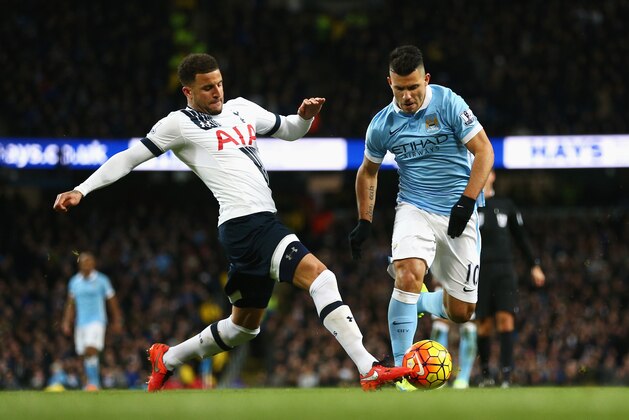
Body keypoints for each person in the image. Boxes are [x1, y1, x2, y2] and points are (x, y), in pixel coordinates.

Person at [53, 53, 412, 391]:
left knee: (244, 329)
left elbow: (289, 130)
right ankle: (369, 368)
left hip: (254, 225)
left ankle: (168, 357)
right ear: (188, 91)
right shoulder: (178, 124)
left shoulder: (242, 109)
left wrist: (303, 116)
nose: (216, 91)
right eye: (207, 87)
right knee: (322, 276)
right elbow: (129, 158)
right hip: (246, 223)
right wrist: (82, 189)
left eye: (219, 83)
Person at [349, 45, 494, 391]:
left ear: (426, 79)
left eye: (414, 87)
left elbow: (484, 150)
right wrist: (364, 221)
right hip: (414, 207)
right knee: (408, 273)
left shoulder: (448, 104)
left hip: (460, 209)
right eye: (400, 89)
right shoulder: (383, 124)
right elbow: (368, 172)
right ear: (390, 83)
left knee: (463, 312)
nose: (408, 96)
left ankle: (420, 302)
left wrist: (467, 202)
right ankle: (402, 372)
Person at [476, 169, 545, 388]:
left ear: (493, 175)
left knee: (506, 319)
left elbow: (521, 237)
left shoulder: (506, 205)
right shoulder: (470, 205)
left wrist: (534, 265)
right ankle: (486, 374)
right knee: (484, 325)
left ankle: (506, 374)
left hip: (505, 270)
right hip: (480, 271)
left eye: (487, 172)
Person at [61, 252, 123, 390]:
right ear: (80, 264)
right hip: (80, 323)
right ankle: (91, 382)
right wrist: (66, 321)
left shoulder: (102, 280)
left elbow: (112, 301)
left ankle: (93, 383)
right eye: (84, 262)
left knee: (90, 348)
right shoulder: (74, 282)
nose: (87, 264)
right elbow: (71, 303)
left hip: (97, 321)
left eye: (89, 261)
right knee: (84, 353)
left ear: (94, 264)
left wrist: (117, 320)